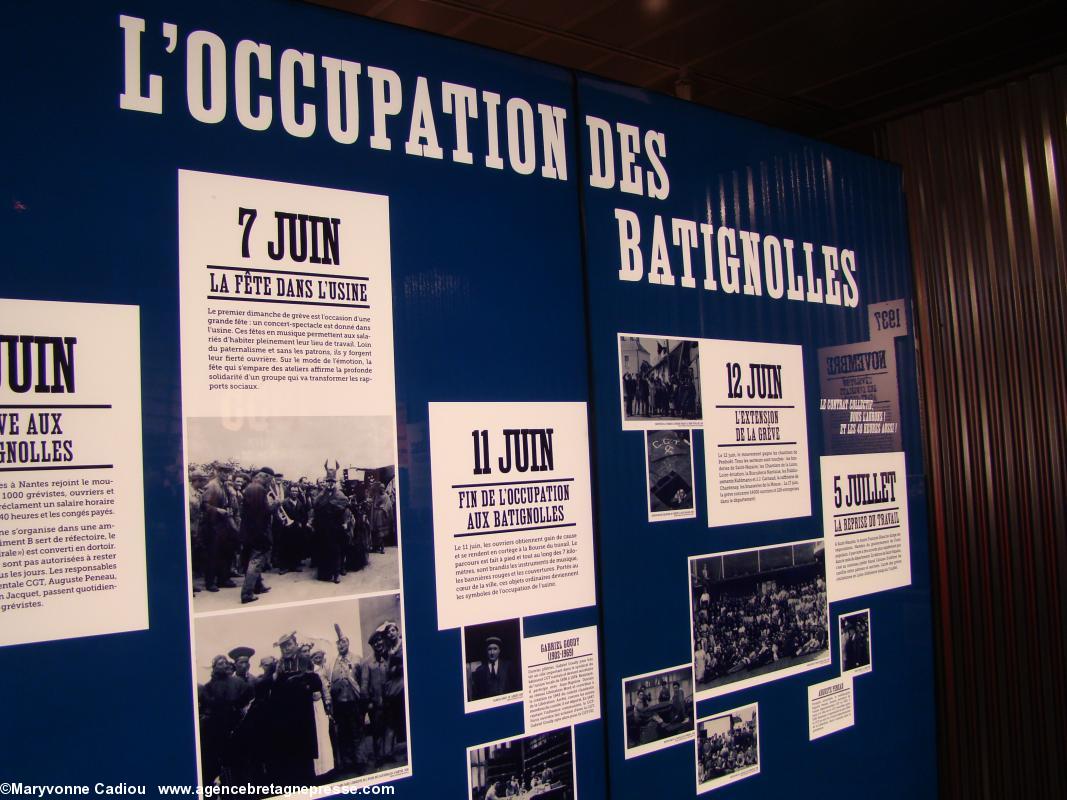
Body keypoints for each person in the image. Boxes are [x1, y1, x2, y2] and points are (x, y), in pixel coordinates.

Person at [239, 468, 279, 604]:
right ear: (265, 477)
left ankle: (258, 586)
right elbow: (264, 512)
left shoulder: (250, 487)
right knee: (255, 562)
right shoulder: (259, 489)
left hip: (248, 532)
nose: (271, 482)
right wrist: (276, 504)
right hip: (258, 532)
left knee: (252, 559)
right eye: (271, 479)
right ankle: (247, 593)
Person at [199, 463, 239, 593]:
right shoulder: (212, 485)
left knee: (224, 552)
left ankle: (223, 579)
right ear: (218, 472)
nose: (227, 475)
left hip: (223, 524)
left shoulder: (224, 486)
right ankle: (210, 582)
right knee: (212, 553)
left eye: (228, 472)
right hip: (212, 525)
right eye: (224, 472)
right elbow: (204, 505)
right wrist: (218, 510)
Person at [330, 624, 364, 773]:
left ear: (348, 643)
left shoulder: (357, 659)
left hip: (354, 703)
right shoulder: (333, 663)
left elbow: (363, 681)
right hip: (340, 705)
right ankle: (348, 763)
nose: (341, 645)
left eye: (343, 642)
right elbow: (330, 682)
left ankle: (360, 763)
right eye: (338, 643)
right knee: (344, 735)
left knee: (357, 733)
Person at [470, 635, 518, 700]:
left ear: (499, 650)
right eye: (489, 649)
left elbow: (515, 689)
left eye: (495, 649)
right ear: (486, 651)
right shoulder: (480, 670)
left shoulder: (508, 666)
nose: (492, 653)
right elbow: (476, 695)